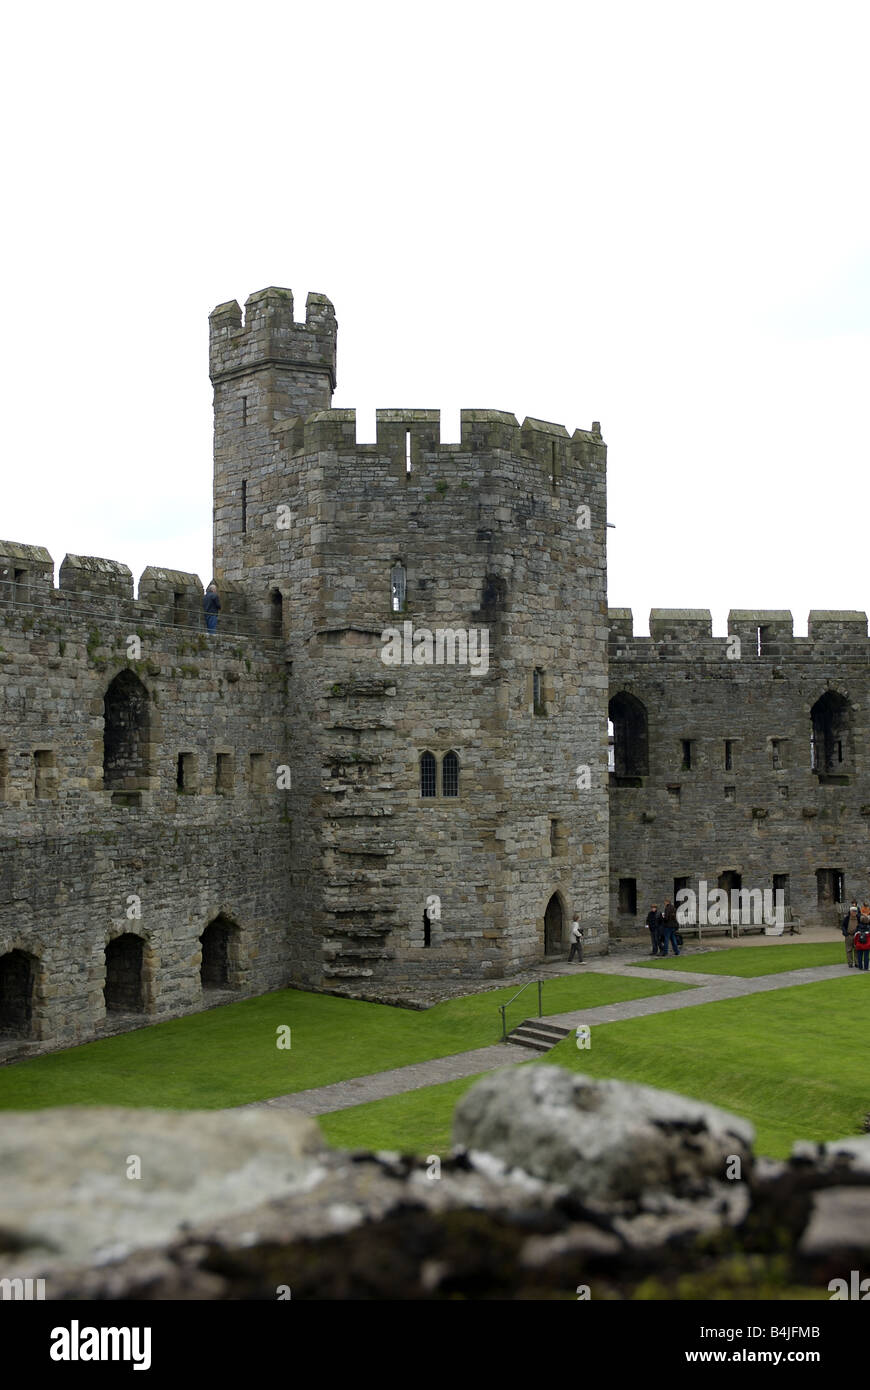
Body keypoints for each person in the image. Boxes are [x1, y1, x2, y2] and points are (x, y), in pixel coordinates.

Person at [842, 903, 859, 968]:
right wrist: (845, 934)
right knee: (849, 950)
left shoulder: (858, 917)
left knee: (856, 950)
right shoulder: (847, 918)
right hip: (849, 935)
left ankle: (857, 963)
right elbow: (843, 926)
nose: (854, 912)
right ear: (850, 911)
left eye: (855, 911)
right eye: (853, 911)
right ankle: (850, 963)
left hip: (856, 936)